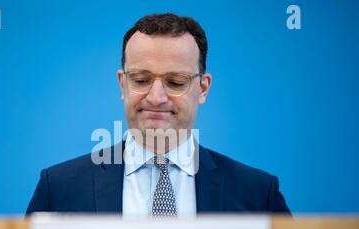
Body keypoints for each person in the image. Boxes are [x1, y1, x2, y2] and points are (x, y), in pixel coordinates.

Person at [26, 13, 290, 217]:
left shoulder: (257, 194)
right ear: (122, 84)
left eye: (176, 82)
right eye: (141, 80)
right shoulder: (58, 189)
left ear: (203, 88)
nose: (156, 97)